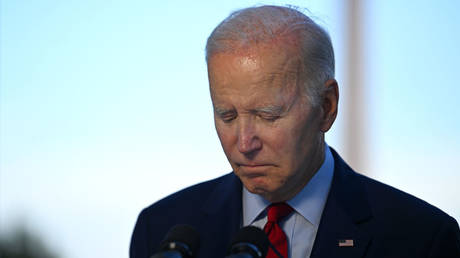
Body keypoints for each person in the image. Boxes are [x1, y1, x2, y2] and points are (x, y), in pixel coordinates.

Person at [130, 5, 460, 258]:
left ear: (327, 106)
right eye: (226, 115)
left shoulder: (422, 238)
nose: (244, 143)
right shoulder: (159, 230)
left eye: (268, 116)